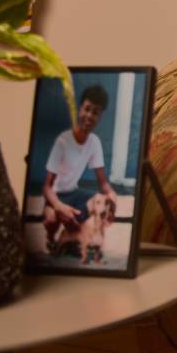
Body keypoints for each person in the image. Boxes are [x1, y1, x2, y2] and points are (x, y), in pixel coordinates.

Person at [42, 84, 118, 255]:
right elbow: (47, 187)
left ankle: (79, 240)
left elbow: (103, 183)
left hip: (74, 193)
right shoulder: (63, 141)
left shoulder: (94, 142)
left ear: (100, 117)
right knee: (52, 217)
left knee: (98, 203)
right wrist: (59, 206)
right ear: (80, 109)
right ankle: (51, 239)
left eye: (96, 112)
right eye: (87, 109)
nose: (90, 116)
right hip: (56, 196)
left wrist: (112, 200)